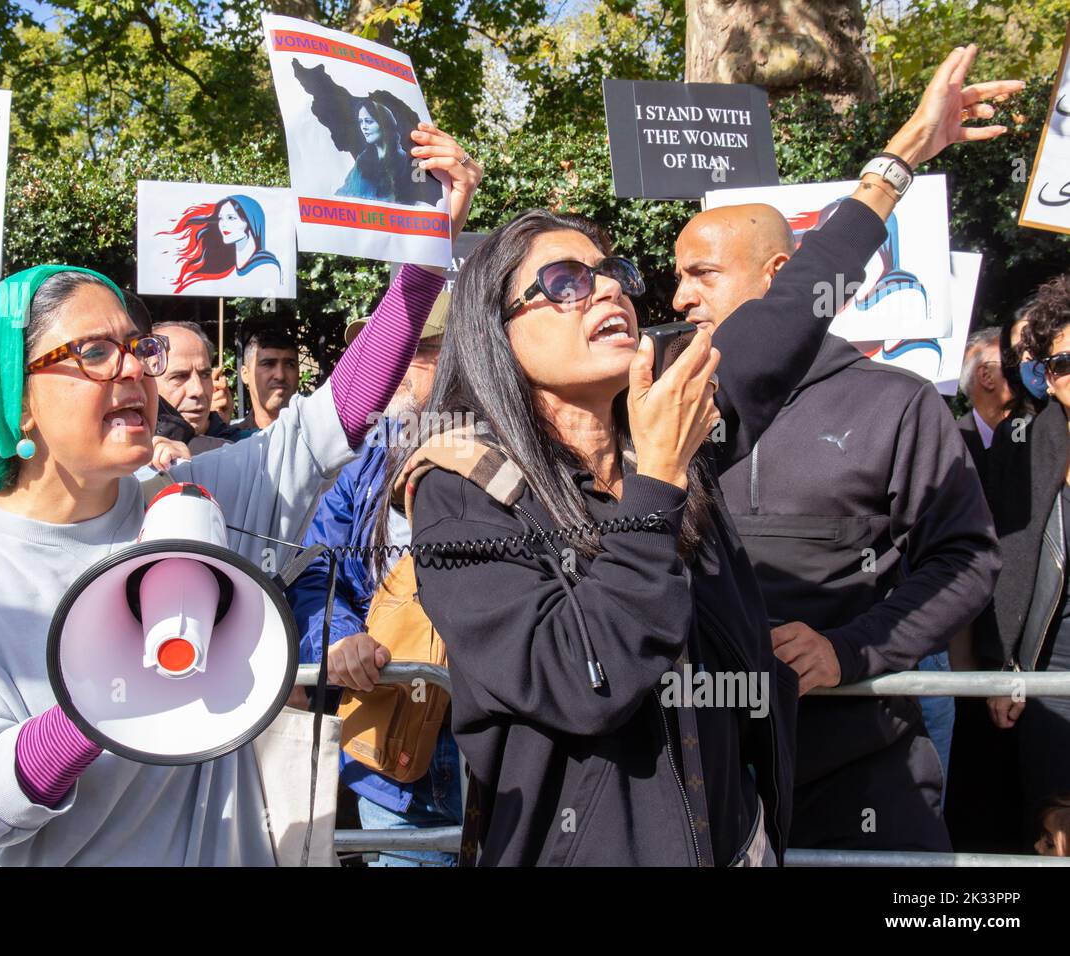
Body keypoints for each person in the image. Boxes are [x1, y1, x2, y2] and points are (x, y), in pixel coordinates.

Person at [384, 45, 1017, 867]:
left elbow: (793, 302)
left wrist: (901, 157)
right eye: (566, 282)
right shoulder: (462, 484)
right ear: (494, 335)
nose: (610, 288)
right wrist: (656, 487)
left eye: (611, 271)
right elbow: (585, 678)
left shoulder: (672, 427)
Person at [0, 123, 482, 865]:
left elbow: (340, 413)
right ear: (14, 396)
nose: (134, 369)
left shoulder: (190, 498)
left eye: (138, 348)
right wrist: (100, 696)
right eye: (94, 352)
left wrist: (422, 261)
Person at [683, 192, 998, 850]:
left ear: (781, 277)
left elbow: (965, 560)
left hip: (861, 767)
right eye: (677, 277)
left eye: (703, 274)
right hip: (707, 776)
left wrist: (850, 650)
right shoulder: (667, 411)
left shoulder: (895, 402)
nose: (681, 296)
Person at [286, 296, 454, 866]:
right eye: (394, 350)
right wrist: (336, 639)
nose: (396, 366)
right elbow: (317, 570)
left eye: (418, 350)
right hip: (392, 765)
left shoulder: (519, 449)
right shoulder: (362, 460)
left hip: (503, 767)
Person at [973, 272, 1070, 856]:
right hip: (1052, 670)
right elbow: (997, 563)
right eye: (1061, 363)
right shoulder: (1025, 450)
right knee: (1058, 830)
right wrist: (1000, 665)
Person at [151, 319, 247, 450]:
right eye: (179, 376)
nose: (198, 390)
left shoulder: (244, 451)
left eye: (205, 375)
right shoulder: (125, 456)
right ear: (145, 384)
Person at [158, 195, 283, 294]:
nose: (223, 224)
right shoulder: (232, 270)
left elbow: (269, 305)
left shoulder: (266, 267)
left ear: (250, 221)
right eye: (220, 218)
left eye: (231, 218)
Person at [337, 100, 418, 205]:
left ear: (384, 124)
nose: (364, 127)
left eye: (369, 121)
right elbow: (345, 192)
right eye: (361, 122)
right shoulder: (362, 160)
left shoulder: (404, 160)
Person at [957, 326, 1012, 473]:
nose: (1024, 366)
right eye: (1012, 359)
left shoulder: (1038, 430)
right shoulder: (951, 446)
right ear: (986, 376)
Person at [234, 325, 299, 432]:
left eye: (289, 365)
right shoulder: (230, 442)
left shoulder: (317, 436)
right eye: (268, 364)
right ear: (245, 374)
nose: (280, 375)